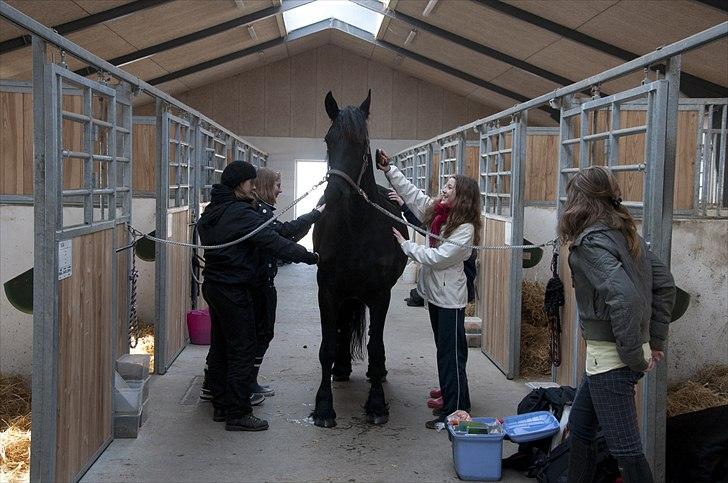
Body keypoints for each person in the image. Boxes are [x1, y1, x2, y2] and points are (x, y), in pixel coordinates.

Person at [558, 166, 675, 482]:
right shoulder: (626, 234)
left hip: (612, 360)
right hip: (610, 356)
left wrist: (634, 353)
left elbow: (625, 299)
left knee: (627, 451)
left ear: (580, 200)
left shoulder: (592, 244)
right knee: (581, 426)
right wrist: (655, 341)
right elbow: (665, 285)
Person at [197, 161, 319, 432]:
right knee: (243, 348)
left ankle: (221, 405)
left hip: (215, 286)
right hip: (234, 288)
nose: (254, 186)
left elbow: (276, 234)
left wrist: (311, 217)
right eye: (250, 182)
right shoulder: (241, 214)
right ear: (239, 184)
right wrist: (312, 258)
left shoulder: (214, 210)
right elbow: (276, 243)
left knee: (220, 347)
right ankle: (238, 413)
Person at [376, 150, 482, 429]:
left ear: (462, 197)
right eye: (445, 185)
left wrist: (405, 244)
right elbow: (414, 196)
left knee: (450, 354)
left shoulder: (465, 228)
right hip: (437, 296)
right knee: (446, 351)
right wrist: (390, 170)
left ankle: (455, 409)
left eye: (449, 187)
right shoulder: (442, 214)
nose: (443, 190)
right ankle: (454, 395)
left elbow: (437, 257)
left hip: (449, 300)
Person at [250, 167, 325, 398]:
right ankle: (246, 384)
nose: (280, 190)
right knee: (260, 333)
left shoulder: (261, 211)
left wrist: (313, 216)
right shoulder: (258, 213)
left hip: (261, 280)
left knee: (261, 333)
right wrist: (312, 257)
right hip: (259, 282)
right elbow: (282, 237)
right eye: (277, 185)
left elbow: (284, 235)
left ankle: (247, 381)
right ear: (264, 186)